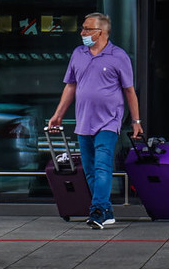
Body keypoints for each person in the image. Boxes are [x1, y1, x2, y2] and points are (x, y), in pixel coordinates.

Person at [48, 12, 143, 229]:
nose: (82, 33)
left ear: (100, 32)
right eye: (82, 28)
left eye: (87, 29)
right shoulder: (78, 54)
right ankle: (106, 210)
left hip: (109, 121)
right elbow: (70, 86)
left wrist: (136, 121)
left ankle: (98, 210)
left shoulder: (118, 56)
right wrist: (58, 114)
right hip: (84, 121)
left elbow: (129, 91)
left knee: (102, 165)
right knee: (90, 169)